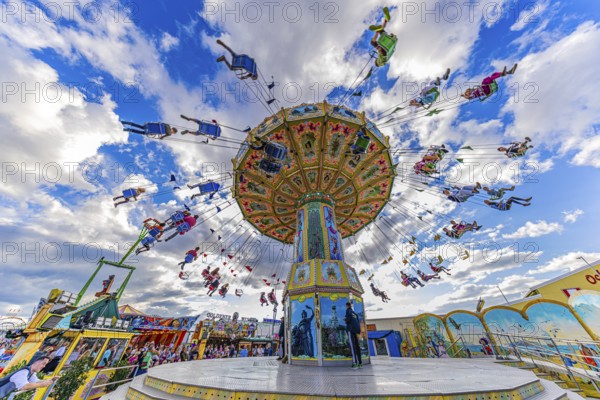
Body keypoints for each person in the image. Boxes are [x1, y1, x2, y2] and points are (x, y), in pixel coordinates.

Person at [344, 302, 362, 369]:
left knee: (352, 346)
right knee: (357, 346)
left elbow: (348, 320)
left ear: (347, 306)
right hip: (355, 331)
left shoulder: (348, 311)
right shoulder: (355, 313)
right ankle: (360, 362)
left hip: (350, 330)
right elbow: (357, 321)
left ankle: (355, 363)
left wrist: (345, 320)